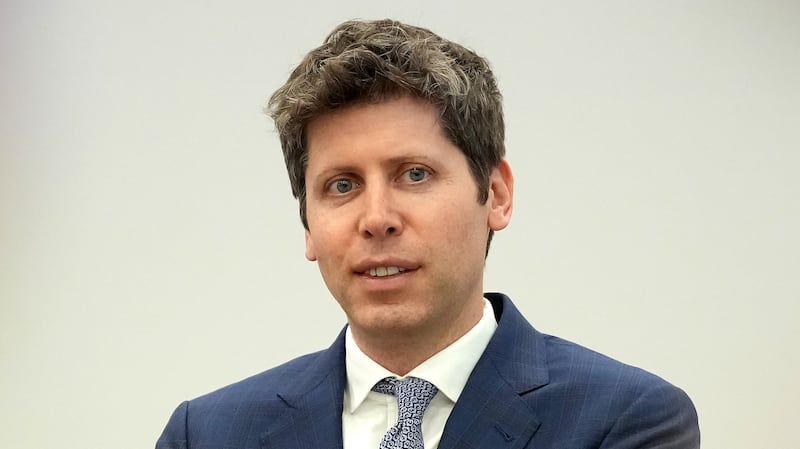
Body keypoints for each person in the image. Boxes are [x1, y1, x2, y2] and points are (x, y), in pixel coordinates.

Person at [156, 18, 700, 449]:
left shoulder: (626, 421)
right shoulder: (205, 434)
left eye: (414, 174)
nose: (376, 218)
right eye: (341, 185)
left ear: (498, 194)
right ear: (308, 227)